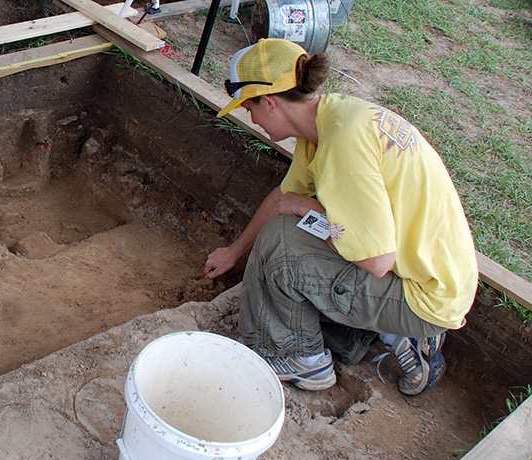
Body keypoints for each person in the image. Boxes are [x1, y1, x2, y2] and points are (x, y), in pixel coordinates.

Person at [205, 38, 478, 395]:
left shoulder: (343, 148)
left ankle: (303, 360)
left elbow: (376, 261)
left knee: (283, 248)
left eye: (248, 109)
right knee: (284, 233)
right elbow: (282, 199)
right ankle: (383, 334)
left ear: (269, 103)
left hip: (423, 296)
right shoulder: (330, 120)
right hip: (431, 274)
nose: (251, 118)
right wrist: (233, 252)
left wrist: (307, 208)